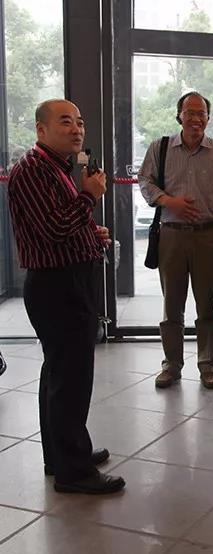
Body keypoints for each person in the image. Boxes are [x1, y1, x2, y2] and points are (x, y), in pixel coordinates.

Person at [8, 99, 125, 494]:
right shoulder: (32, 170)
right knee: (71, 380)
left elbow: (58, 225)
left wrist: (90, 231)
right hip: (58, 286)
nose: (77, 129)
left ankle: (62, 455)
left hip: (67, 280)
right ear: (41, 130)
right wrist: (89, 196)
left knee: (60, 375)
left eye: (79, 122)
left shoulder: (55, 168)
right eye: (65, 122)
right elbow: (55, 229)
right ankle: (73, 471)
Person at [138, 92, 213, 389]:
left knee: (206, 305)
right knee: (172, 305)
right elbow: (145, 181)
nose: (195, 118)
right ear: (179, 116)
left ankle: (208, 366)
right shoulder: (161, 148)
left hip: (208, 237)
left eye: (201, 113)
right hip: (171, 236)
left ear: (208, 118)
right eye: (189, 112)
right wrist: (169, 201)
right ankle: (171, 365)